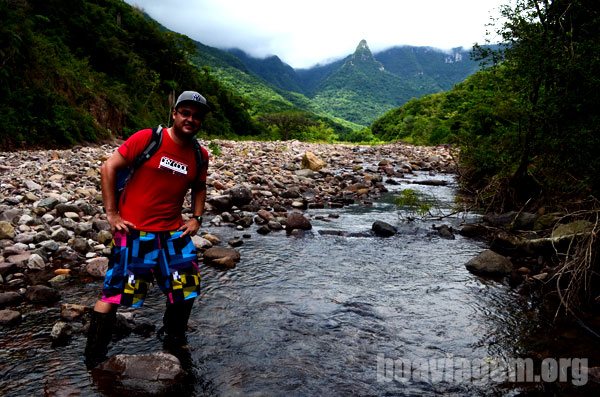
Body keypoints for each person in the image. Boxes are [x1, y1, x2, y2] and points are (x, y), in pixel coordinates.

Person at [84, 90, 210, 369]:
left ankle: (173, 339)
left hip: (174, 234)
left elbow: (199, 187)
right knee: (115, 293)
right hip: (135, 232)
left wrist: (196, 218)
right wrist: (112, 213)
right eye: (185, 113)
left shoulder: (200, 155)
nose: (190, 119)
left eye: (196, 116)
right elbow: (109, 167)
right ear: (175, 114)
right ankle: (93, 358)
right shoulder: (149, 139)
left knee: (185, 288)